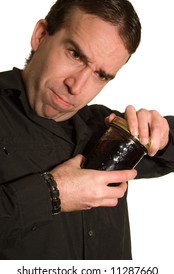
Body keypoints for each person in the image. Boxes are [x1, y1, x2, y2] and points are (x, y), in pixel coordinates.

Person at [0, 0, 174, 260]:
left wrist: (162, 132)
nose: (77, 86)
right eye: (75, 55)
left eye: (101, 75)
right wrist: (51, 194)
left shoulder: (103, 126)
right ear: (40, 36)